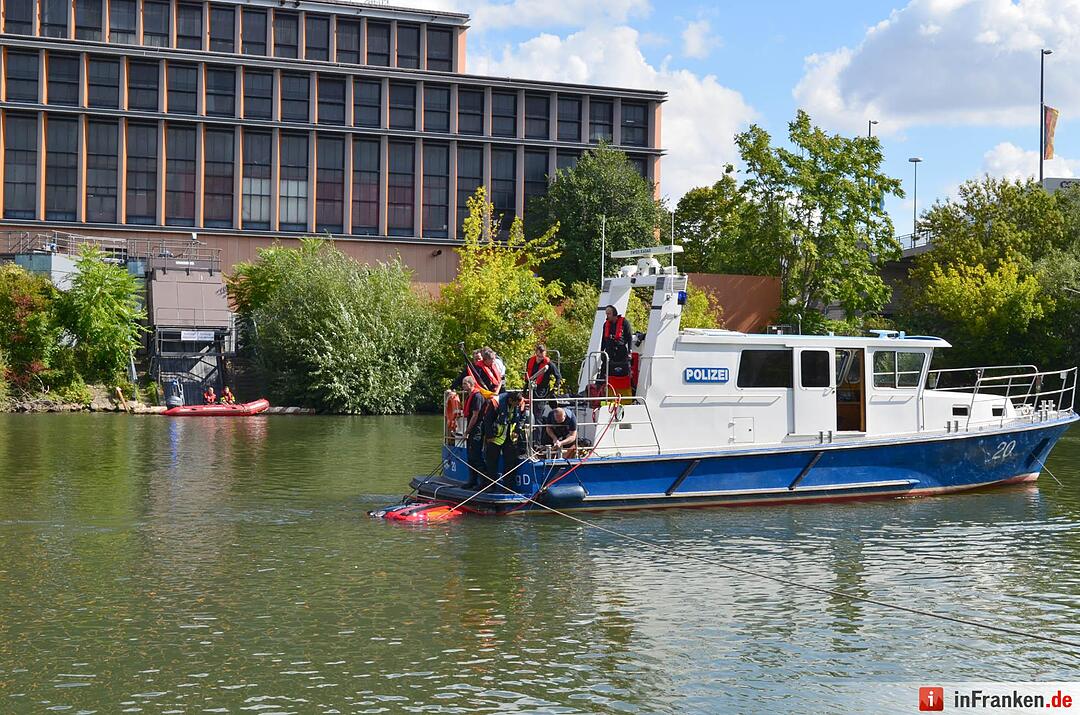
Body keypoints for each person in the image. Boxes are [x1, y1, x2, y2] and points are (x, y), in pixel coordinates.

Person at [484, 391, 527, 491]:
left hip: (511, 437)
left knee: (510, 462)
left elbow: (522, 417)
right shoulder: (496, 402)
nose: (517, 405)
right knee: (492, 462)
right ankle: (490, 486)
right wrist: (489, 435)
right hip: (496, 437)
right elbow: (487, 419)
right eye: (516, 403)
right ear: (510, 400)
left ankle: (508, 487)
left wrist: (517, 430)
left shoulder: (520, 402)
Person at [458, 376, 491, 489]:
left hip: (477, 427)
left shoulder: (477, 396)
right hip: (471, 427)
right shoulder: (469, 395)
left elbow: (475, 415)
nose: (463, 386)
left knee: (476, 455)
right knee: (470, 456)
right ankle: (472, 480)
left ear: (471, 384)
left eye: (464, 384)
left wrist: (467, 431)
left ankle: (484, 482)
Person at [525, 343, 562, 420]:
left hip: (542, 391)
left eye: (542, 357)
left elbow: (558, 377)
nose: (540, 359)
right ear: (536, 353)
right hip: (531, 389)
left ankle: (538, 430)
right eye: (538, 356)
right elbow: (527, 376)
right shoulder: (530, 361)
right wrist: (525, 388)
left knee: (538, 414)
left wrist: (554, 388)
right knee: (528, 414)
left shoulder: (549, 364)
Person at [600, 305, 633, 385]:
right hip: (609, 351)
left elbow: (629, 337)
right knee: (604, 368)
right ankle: (601, 386)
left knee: (623, 369)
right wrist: (601, 351)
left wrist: (630, 351)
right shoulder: (606, 324)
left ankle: (627, 385)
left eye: (609, 314)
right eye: (606, 314)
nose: (607, 316)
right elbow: (603, 339)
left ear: (614, 314)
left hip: (621, 351)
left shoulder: (624, 322)